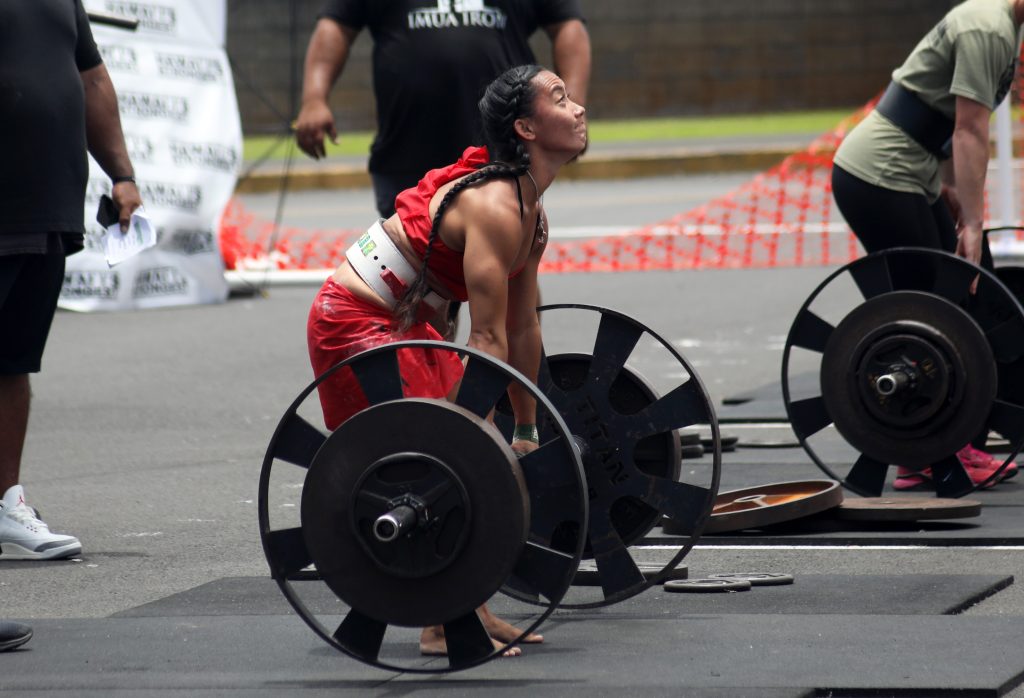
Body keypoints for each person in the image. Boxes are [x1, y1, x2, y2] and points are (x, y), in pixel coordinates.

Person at [307, 64, 586, 655]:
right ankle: (439, 624)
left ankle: (470, 608)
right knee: (444, 458)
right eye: (560, 98)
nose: (578, 107)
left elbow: (523, 326)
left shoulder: (531, 213)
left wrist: (527, 429)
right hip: (352, 322)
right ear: (526, 129)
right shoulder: (496, 207)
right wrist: (477, 440)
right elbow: (486, 338)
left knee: (478, 451)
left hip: (408, 324)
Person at [831, 0, 1021, 491]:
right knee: (932, 314)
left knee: (969, 296)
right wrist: (973, 222)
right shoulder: (988, 28)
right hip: (880, 176)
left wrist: (950, 188)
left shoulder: (1001, 25)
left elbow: (940, 116)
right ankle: (925, 454)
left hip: (910, 175)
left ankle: (953, 442)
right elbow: (969, 128)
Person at [0, 1, 143, 559]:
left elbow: (92, 78)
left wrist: (122, 174)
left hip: (46, 208)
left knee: (13, 361)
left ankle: (6, 503)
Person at [294, 0, 591, 219]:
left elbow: (568, 25)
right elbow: (335, 26)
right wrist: (314, 99)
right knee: (415, 268)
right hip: (407, 150)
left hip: (500, 146)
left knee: (506, 252)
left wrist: (570, 106)